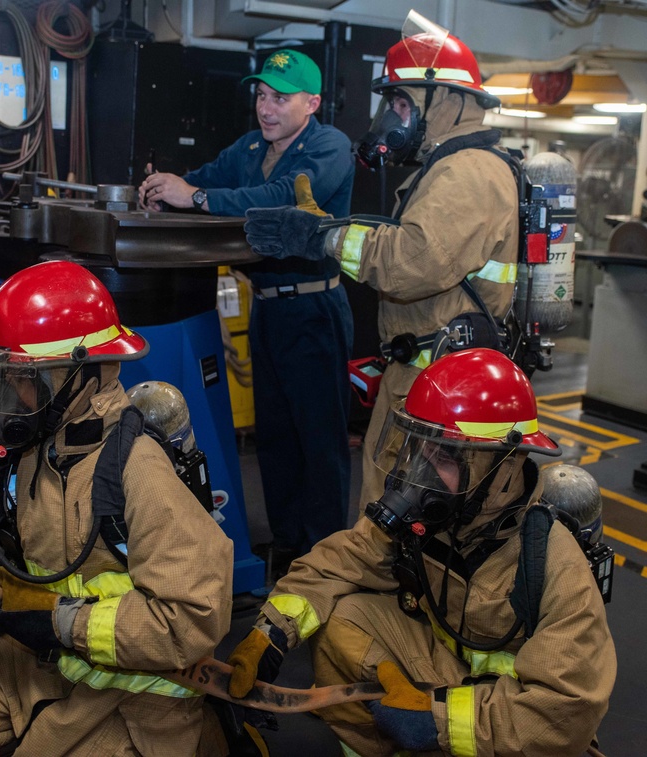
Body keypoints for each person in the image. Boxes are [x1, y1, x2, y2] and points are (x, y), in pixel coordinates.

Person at [0, 260, 235, 756]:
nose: (3, 395)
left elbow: (192, 619)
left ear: (81, 377)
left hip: (128, 688)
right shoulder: (27, 451)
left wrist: (63, 624)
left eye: (20, 378)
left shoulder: (137, 470)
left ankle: (205, 740)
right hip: (38, 658)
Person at [225, 348, 616, 757]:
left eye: (443, 456)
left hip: (508, 714)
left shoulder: (553, 563)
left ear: (501, 468)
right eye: (418, 450)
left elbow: (564, 713)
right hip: (447, 669)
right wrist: (270, 633)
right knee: (343, 618)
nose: (419, 476)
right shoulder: (438, 516)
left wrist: (437, 722)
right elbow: (341, 562)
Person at [244, 13, 520, 507]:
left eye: (401, 103)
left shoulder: (468, 174)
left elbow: (410, 263)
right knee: (389, 515)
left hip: (440, 388)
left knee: (405, 525)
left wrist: (321, 239)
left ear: (450, 101)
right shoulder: (444, 169)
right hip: (422, 376)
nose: (392, 118)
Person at [139, 48, 356, 574]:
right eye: (261, 95)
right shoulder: (251, 146)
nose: (267, 107)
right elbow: (207, 179)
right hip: (268, 311)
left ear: (312, 102)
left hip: (314, 310)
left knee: (319, 444)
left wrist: (195, 198)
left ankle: (324, 563)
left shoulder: (329, 146)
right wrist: (165, 190)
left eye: (280, 98)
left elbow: (279, 199)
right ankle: (286, 549)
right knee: (276, 440)